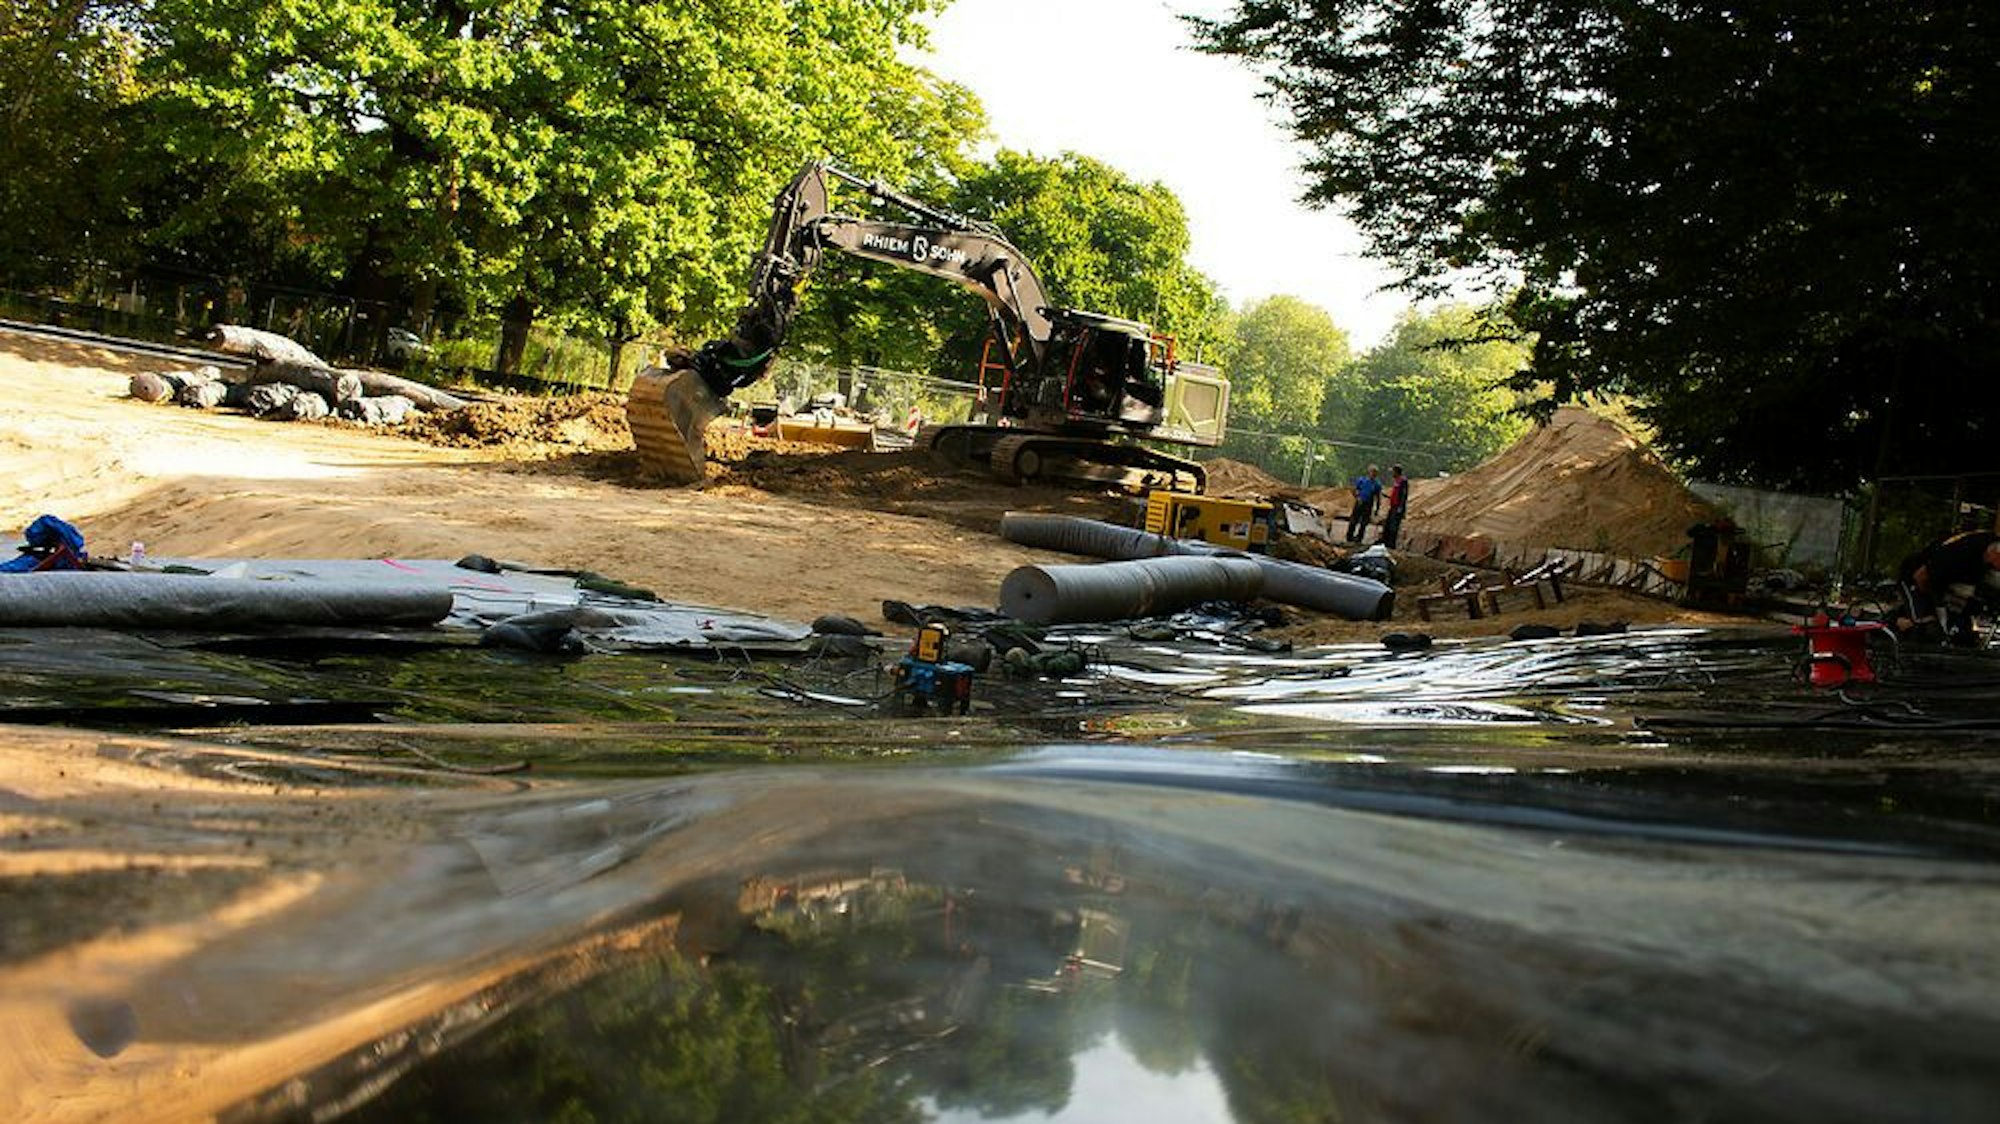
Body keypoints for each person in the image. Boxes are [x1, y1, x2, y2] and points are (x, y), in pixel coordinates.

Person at [1895, 529, 2000, 645]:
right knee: (1929, 628)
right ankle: (1895, 622)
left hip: (1949, 582)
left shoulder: (1989, 542)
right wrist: (1933, 608)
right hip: (1916, 578)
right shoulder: (1956, 554)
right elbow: (1920, 577)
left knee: (1963, 632)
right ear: (1994, 554)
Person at [1345, 465, 1381, 543]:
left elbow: (1378, 497)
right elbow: (1354, 489)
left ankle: (1359, 538)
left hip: (1368, 504)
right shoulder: (1362, 480)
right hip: (1360, 502)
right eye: (1372, 472)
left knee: (1364, 522)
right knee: (1354, 519)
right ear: (1369, 472)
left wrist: (1377, 508)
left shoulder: (1377, 484)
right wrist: (1357, 497)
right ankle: (1349, 536)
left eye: (1375, 473)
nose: (1374, 474)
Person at [1378, 465, 1410, 549]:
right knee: (1388, 524)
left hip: (1397, 507)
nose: (1392, 474)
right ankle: (1385, 541)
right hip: (1393, 506)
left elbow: (1403, 495)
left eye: (1393, 472)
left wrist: (1401, 507)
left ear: (1396, 472)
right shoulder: (1396, 481)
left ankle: (1391, 544)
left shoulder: (1403, 481)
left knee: (1393, 526)